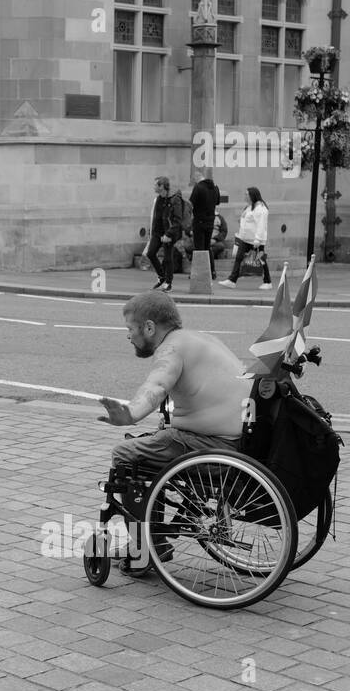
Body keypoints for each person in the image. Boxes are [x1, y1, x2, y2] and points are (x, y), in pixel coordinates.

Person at [97, 291, 247, 472]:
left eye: (130, 329)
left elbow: (157, 386)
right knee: (160, 433)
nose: (129, 336)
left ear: (149, 328)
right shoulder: (200, 338)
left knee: (124, 453)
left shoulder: (171, 347)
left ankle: (145, 501)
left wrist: (132, 414)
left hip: (217, 444)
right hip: (242, 439)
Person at [219, 186, 272, 290]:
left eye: (246, 194)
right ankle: (232, 280)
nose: (245, 196)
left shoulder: (260, 208)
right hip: (246, 239)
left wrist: (257, 239)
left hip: (256, 240)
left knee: (261, 260)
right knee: (239, 258)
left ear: (252, 195)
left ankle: (268, 281)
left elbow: (261, 225)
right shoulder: (250, 206)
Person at [145, 176, 183, 292]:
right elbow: (155, 217)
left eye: (156, 185)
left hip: (169, 233)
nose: (154, 187)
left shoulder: (174, 199)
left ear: (162, 186)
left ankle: (168, 282)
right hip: (157, 233)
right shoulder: (157, 199)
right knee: (150, 253)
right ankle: (161, 276)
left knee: (168, 258)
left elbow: (177, 220)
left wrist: (169, 234)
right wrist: (151, 231)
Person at [189, 173, 221, 278]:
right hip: (210, 221)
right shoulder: (215, 188)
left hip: (199, 221)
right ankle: (212, 272)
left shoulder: (198, 187)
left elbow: (191, 203)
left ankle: (199, 274)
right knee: (207, 247)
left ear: (196, 179)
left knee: (199, 248)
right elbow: (217, 202)